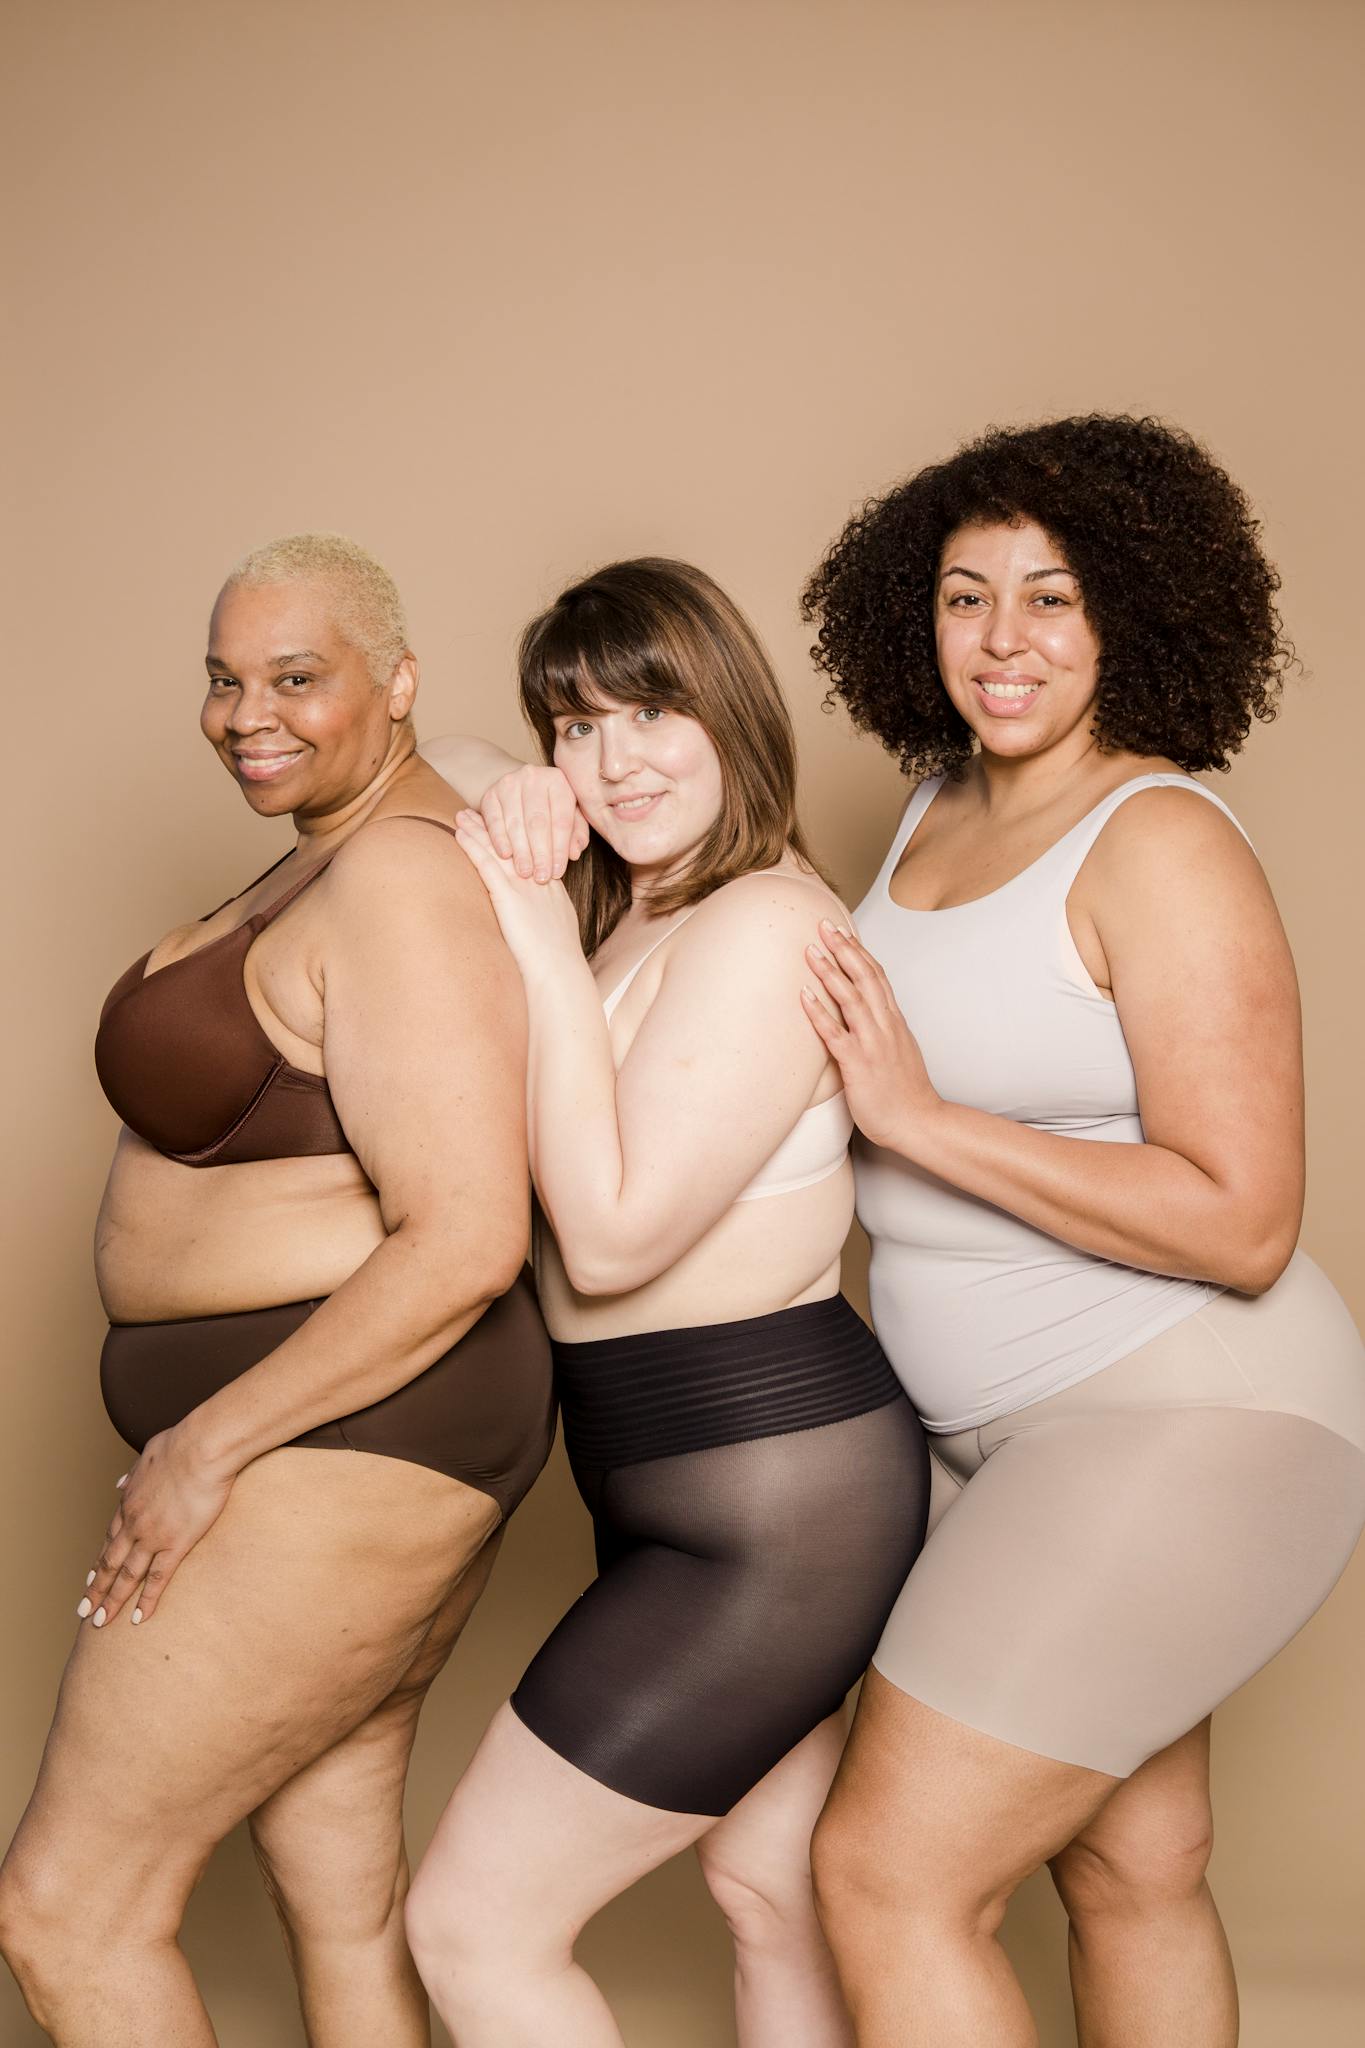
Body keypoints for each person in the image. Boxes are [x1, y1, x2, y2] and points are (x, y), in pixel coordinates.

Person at [793, 415, 1365, 2047]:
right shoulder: (923, 815)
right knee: (1130, 1867)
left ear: (1132, 612)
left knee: (889, 1876)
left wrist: (919, 1125)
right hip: (993, 1437)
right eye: (965, 599)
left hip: (1183, 1418)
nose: (1002, 643)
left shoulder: (1160, 841)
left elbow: (1244, 1220)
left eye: (1050, 599)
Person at [0, 534, 555, 2048]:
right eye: (225, 679)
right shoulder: (346, 832)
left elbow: (464, 1235)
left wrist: (205, 1444)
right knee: (339, 1900)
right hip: (342, 1436)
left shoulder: (396, 877)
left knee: (70, 1908)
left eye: (296, 678)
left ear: (395, 685)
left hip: (338, 1437)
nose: (251, 713)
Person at [406, 558, 929, 2047]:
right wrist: (514, 793)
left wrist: (524, 926)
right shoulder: (632, 909)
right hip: (669, 1481)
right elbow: (434, 758)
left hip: (774, 1512)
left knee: (472, 1931)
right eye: (574, 730)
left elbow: (616, 1238)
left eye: (652, 713)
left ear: (732, 715)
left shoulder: (766, 926)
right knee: (770, 1889)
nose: (614, 761)